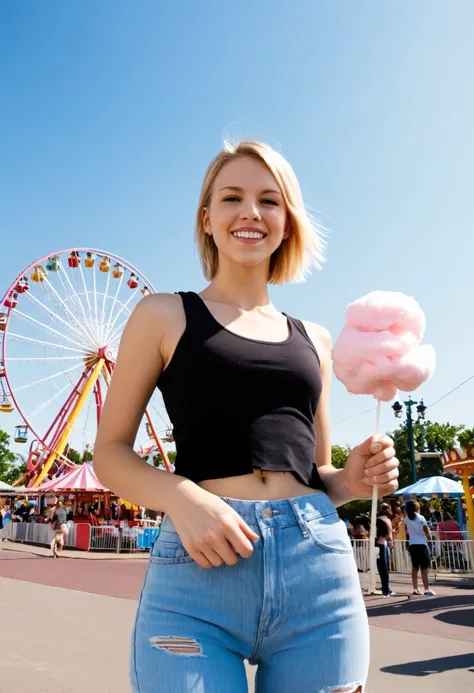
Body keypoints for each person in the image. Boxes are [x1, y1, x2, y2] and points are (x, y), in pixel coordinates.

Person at [94, 140, 399, 693]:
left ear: (287, 222)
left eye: (269, 200)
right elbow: (109, 453)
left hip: (320, 576)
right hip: (198, 572)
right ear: (207, 219)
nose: (251, 212)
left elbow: (319, 475)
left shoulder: (317, 340)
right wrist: (181, 496)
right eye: (232, 197)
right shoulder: (163, 315)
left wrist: (352, 479)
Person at [404, 500, 436, 596]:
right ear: (416, 508)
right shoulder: (421, 518)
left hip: (412, 544)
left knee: (415, 567)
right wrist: (429, 541)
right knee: (424, 568)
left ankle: (415, 588)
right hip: (422, 544)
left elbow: (406, 531)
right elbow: (427, 531)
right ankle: (426, 589)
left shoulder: (406, 519)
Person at [375, 503, 396, 597]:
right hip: (382, 544)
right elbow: (389, 532)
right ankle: (386, 589)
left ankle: (385, 588)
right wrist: (390, 541)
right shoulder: (386, 519)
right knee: (384, 567)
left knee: (381, 567)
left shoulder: (377, 519)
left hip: (377, 544)